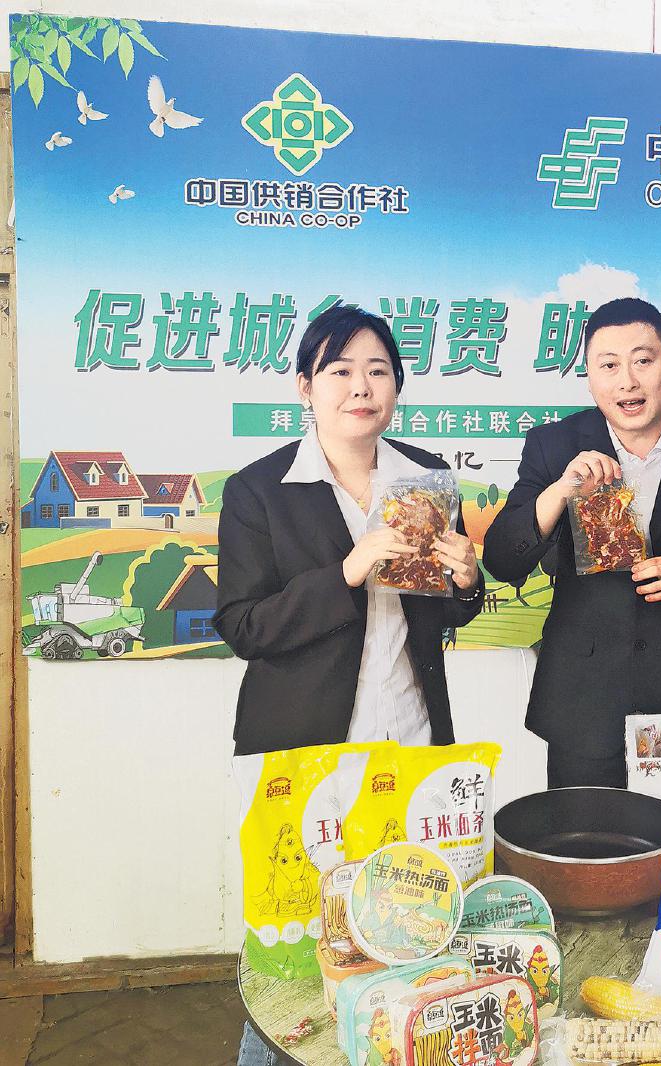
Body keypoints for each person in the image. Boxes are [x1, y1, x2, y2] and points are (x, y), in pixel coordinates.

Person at [215, 303, 484, 1065]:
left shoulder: (423, 476)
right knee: (303, 953)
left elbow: (444, 609)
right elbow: (243, 625)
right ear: (305, 386)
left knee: (413, 929)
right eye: (339, 371)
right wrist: (346, 571)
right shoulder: (260, 490)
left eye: (378, 371)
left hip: (411, 741)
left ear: (396, 385)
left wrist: (467, 579)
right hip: (304, 754)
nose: (361, 387)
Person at [483, 297, 661, 789]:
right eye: (609, 365)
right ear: (589, 377)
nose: (628, 381)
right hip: (583, 704)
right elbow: (501, 558)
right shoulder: (554, 445)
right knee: (583, 837)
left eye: (643, 360)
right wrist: (560, 490)